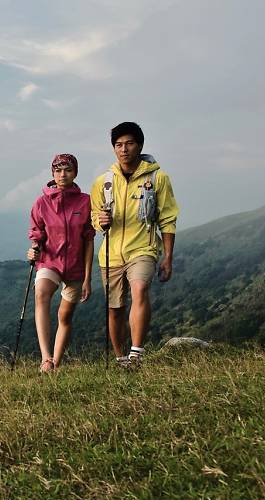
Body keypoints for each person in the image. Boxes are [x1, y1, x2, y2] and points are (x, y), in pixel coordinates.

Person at [90, 122, 179, 367]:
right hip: (111, 253)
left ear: (139, 145)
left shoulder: (157, 178)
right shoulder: (103, 182)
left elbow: (167, 218)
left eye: (129, 143)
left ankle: (135, 354)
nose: (124, 149)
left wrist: (168, 257)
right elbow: (94, 217)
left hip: (143, 248)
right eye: (118, 145)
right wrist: (100, 221)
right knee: (115, 307)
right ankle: (120, 358)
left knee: (140, 289)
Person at [27, 153, 95, 373]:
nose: (62, 175)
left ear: (75, 172)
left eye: (67, 170)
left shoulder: (85, 201)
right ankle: (46, 359)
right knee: (41, 294)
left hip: (75, 267)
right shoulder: (42, 203)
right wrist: (34, 249)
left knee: (64, 316)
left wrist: (87, 278)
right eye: (57, 170)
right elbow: (36, 234)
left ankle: (56, 362)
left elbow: (88, 240)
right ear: (52, 173)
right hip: (50, 262)